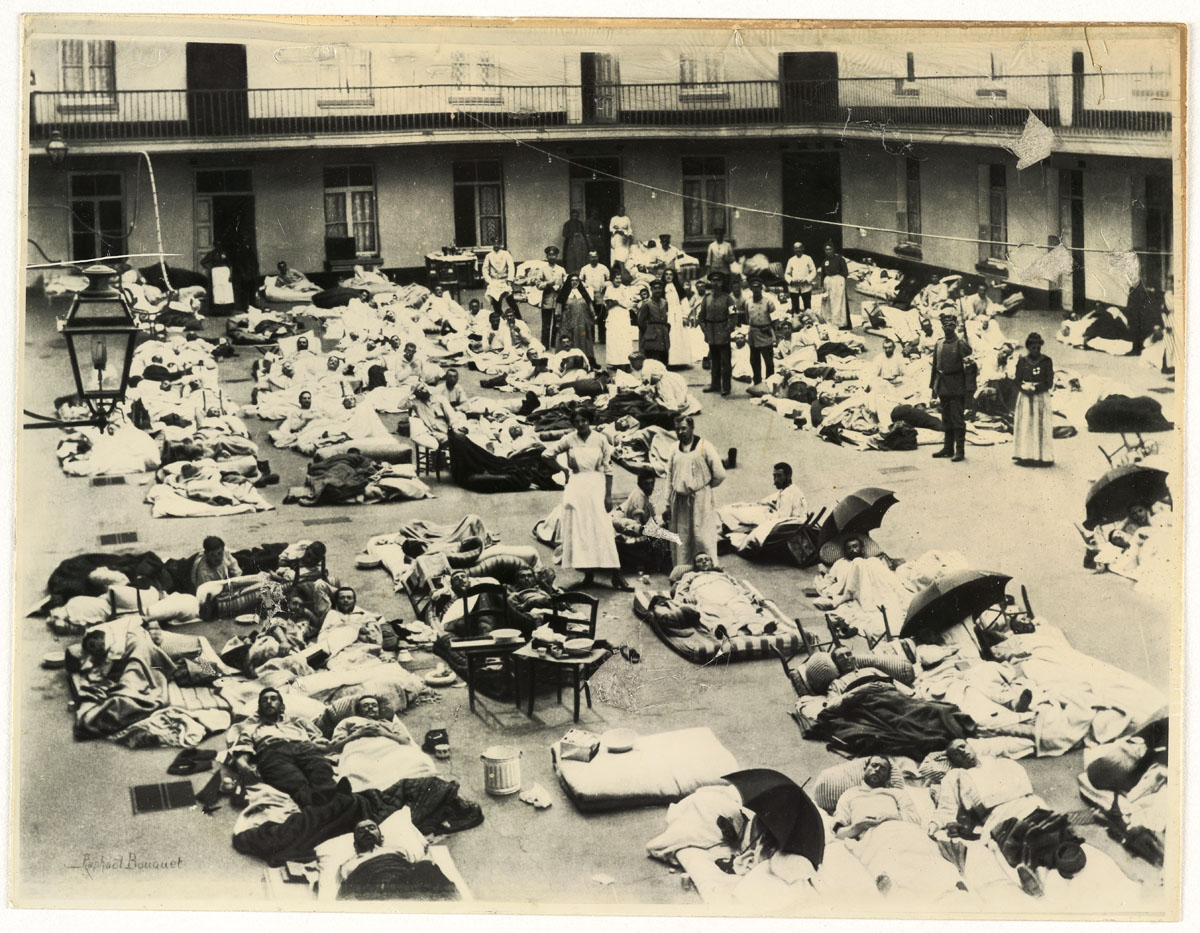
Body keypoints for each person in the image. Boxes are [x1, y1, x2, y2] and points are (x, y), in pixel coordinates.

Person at [547, 410, 632, 591]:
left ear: (590, 421)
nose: (581, 424)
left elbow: (608, 469)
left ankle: (617, 575)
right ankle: (588, 574)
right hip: (577, 486)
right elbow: (547, 454)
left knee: (603, 529)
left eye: (584, 420)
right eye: (577, 421)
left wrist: (608, 496)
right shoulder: (569, 439)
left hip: (596, 485)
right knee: (581, 530)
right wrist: (563, 471)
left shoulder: (601, 439)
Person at [227, 688, 341, 806]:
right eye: (264, 700)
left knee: (322, 771)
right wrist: (244, 767)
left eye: (273, 699)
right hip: (273, 752)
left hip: (304, 748)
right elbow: (242, 754)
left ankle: (335, 801)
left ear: (282, 707)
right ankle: (319, 807)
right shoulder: (250, 729)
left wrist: (323, 745)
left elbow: (317, 740)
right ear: (260, 708)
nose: (269, 702)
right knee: (295, 783)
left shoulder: (297, 721)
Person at [664, 415, 727, 567]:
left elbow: (719, 474)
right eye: (677, 429)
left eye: (684, 428)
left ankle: (710, 568)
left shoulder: (705, 446)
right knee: (683, 538)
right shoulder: (674, 449)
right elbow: (669, 476)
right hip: (679, 500)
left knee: (702, 537)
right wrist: (667, 503)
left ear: (692, 428)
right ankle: (683, 570)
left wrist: (704, 487)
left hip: (700, 499)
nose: (680, 432)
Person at [929, 313, 974, 462]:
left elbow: (970, 367)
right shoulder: (939, 343)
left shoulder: (960, 344)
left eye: (951, 325)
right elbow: (935, 367)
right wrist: (933, 390)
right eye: (945, 325)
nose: (947, 327)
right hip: (943, 387)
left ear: (955, 326)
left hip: (956, 387)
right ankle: (948, 448)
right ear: (941, 327)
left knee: (957, 420)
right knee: (946, 419)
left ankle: (959, 451)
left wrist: (969, 391)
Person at [1012, 332, 1054, 466]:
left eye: (1038, 348)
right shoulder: (1022, 361)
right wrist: (1024, 388)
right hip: (1025, 398)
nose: (1035, 351)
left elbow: (1049, 382)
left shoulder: (1046, 361)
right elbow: (1017, 380)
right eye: (1033, 348)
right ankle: (1025, 455)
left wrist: (1036, 389)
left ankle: (1042, 456)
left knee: (1040, 426)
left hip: (1040, 397)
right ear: (1028, 348)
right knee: (1026, 425)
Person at [737, 276, 780, 386]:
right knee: (754, 360)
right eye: (753, 287)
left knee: (769, 361)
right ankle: (757, 383)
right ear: (751, 288)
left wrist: (772, 332)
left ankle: (770, 383)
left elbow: (775, 320)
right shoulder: (748, 303)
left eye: (758, 287)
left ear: (761, 288)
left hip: (765, 332)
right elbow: (747, 318)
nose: (756, 290)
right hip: (753, 333)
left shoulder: (768, 302)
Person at [699, 272, 736, 395]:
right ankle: (715, 385)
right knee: (714, 361)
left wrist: (728, 330)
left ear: (722, 283)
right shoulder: (707, 298)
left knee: (725, 362)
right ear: (710, 282)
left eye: (718, 281)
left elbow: (734, 316)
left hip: (723, 333)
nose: (716, 283)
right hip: (711, 333)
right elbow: (701, 317)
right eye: (713, 281)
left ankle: (726, 387)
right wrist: (705, 330)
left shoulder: (728, 298)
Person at [557, 273, 597, 367]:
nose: (574, 282)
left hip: (582, 323)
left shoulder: (583, 293)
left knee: (583, 340)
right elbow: (558, 307)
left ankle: (585, 362)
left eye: (576, 280)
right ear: (569, 282)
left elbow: (590, 304)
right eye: (572, 280)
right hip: (568, 323)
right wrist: (558, 319)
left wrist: (593, 315)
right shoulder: (564, 293)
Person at [536, 246, 567, 348]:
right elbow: (538, 284)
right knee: (546, 324)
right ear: (547, 256)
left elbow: (566, 284)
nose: (552, 257)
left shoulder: (561, 270)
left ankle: (555, 343)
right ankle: (544, 344)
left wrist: (561, 287)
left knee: (557, 323)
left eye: (554, 255)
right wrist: (547, 284)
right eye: (550, 255)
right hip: (547, 300)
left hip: (558, 300)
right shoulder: (543, 270)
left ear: (557, 256)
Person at [637, 279, 672, 366]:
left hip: (663, 336)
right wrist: (649, 331)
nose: (658, 290)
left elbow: (667, 318)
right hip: (651, 339)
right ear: (651, 289)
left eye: (660, 288)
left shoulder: (665, 302)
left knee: (664, 362)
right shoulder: (647, 304)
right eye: (655, 288)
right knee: (652, 362)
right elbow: (640, 322)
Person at [579, 250, 610, 344]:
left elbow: (608, 280)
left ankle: (602, 338)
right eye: (591, 257)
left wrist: (604, 286)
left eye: (595, 256)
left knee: (601, 316)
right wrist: (586, 286)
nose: (593, 259)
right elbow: (581, 281)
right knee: (590, 316)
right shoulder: (585, 269)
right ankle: (591, 338)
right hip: (589, 295)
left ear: (598, 257)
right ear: (589, 258)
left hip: (600, 294)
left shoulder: (603, 268)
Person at [482, 240, 521, 316]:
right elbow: (485, 269)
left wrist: (509, 279)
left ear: (500, 244)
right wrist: (489, 281)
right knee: (496, 301)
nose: (496, 245)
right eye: (494, 243)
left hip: (505, 280)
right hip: (494, 281)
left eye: (498, 243)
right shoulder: (489, 256)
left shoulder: (506, 254)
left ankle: (518, 318)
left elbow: (511, 267)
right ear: (492, 244)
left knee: (510, 300)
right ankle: (500, 317)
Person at [818, 242, 851, 329]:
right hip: (828, 282)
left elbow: (845, 272)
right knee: (827, 302)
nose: (828, 251)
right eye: (826, 250)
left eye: (829, 249)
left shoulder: (840, 259)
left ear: (833, 250)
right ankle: (829, 321)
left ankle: (838, 322)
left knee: (838, 302)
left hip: (837, 283)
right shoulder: (825, 261)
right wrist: (822, 285)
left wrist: (839, 281)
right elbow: (822, 274)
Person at [784, 241, 817, 314]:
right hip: (794, 287)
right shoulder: (791, 260)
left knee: (807, 307)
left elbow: (813, 271)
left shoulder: (808, 258)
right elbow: (787, 274)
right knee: (795, 308)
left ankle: (808, 321)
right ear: (793, 249)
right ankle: (796, 320)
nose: (798, 250)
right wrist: (791, 281)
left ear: (803, 249)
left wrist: (807, 279)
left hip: (805, 286)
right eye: (796, 248)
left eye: (799, 248)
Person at [561, 209, 589, 273]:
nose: (575, 217)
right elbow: (564, 234)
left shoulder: (580, 223)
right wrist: (573, 234)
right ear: (571, 216)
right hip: (570, 244)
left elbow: (584, 233)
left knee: (580, 258)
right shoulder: (567, 224)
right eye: (573, 215)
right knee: (571, 258)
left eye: (576, 216)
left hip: (580, 244)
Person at [609, 206, 633, 275]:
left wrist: (629, 235)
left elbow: (629, 228)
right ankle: (616, 272)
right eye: (620, 210)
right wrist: (617, 231)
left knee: (625, 254)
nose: (621, 212)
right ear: (617, 211)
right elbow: (610, 229)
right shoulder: (614, 219)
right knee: (616, 254)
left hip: (624, 238)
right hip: (616, 238)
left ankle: (624, 273)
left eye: (623, 210)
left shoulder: (626, 219)